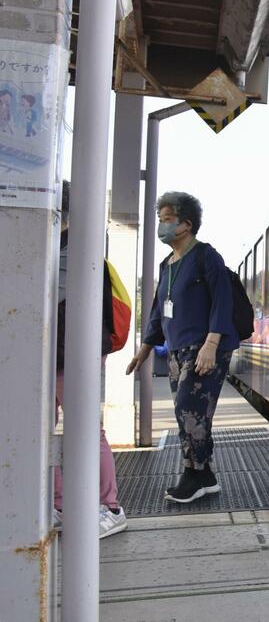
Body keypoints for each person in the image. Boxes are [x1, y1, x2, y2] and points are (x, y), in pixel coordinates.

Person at [127, 192, 239, 503]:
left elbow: (222, 301)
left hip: (205, 347)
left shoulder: (206, 256)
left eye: (166, 220)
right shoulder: (168, 264)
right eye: (160, 220)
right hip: (177, 350)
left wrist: (211, 344)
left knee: (188, 409)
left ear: (186, 224)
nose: (161, 226)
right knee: (190, 414)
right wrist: (145, 348)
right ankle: (203, 475)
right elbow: (157, 309)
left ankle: (195, 473)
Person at [54, 180, 128, 539]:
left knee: (84, 430)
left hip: (72, 357)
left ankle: (109, 507)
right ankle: (57, 504)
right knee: (43, 430)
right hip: (57, 355)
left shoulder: (76, 252)